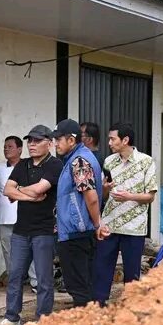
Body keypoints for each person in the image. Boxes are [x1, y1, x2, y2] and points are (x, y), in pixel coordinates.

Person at [0, 125, 63, 325]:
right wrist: (29, 195)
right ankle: (12, 318)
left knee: (43, 279)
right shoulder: (23, 164)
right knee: (15, 276)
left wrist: (19, 191)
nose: (32, 144)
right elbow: (7, 190)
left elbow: (40, 189)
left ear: (49, 143)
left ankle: (43, 320)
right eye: (30, 141)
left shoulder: (54, 165)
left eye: (37, 141)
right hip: (21, 230)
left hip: (44, 230)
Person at [95, 122, 158, 306]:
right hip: (109, 224)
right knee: (102, 267)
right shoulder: (109, 161)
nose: (109, 143)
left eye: (112, 139)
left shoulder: (146, 161)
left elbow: (150, 196)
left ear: (125, 140)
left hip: (134, 226)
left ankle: (132, 306)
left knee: (132, 271)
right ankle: (99, 304)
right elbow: (103, 195)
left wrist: (129, 196)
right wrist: (105, 189)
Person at [52, 119, 109, 308]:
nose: (55, 144)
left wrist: (97, 223)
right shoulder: (79, 158)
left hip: (77, 232)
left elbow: (91, 197)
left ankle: (87, 322)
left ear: (71, 140)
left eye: (59, 139)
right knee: (85, 284)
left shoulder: (79, 161)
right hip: (79, 230)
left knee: (79, 287)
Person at [0, 135, 38, 291]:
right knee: (9, 252)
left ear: (20, 149)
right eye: (5, 147)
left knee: (31, 250)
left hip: (25, 216)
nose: (6, 149)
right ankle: (15, 283)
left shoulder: (29, 166)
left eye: (10, 147)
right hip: (4, 217)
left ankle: (35, 282)